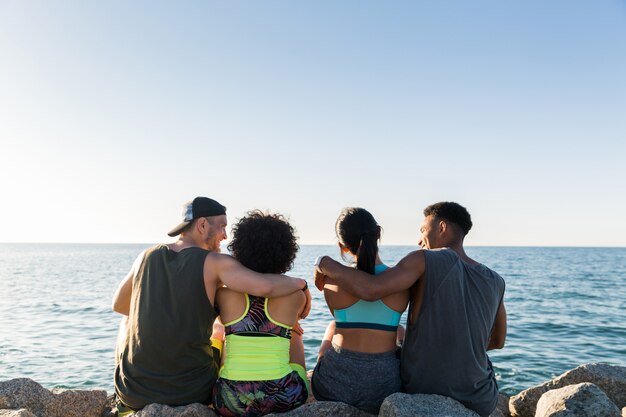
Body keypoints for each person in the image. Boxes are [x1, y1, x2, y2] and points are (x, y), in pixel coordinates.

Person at [112, 197, 310, 415]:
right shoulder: (216, 262)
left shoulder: (145, 256)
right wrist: (301, 284)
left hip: (132, 392)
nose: (225, 235)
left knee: (127, 320)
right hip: (191, 391)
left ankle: (125, 398)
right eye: (222, 226)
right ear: (202, 224)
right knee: (221, 330)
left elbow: (120, 305)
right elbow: (263, 287)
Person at [314, 202, 506, 417]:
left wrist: (324, 263)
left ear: (441, 228)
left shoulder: (423, 260)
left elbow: (371, 289)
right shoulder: (496, 280)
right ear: (377, 234)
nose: (419, 239)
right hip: (481, 396)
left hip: (423, 386)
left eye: (423, 230)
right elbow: (498, 341)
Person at [311, 207, 409, 414]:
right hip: (382, 386)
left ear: (343, 247)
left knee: (333, 326)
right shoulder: (402, 281)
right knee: (397, 329)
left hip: (333, 384)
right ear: (378, 234)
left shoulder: (329, 280)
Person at [212, 210, 309, 416]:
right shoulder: (296, 297)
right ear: (286, 252)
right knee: (294, 331)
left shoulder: (223, 295)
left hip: (229, 399)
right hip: (282, 396)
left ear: (240, 249)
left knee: (224, 330)